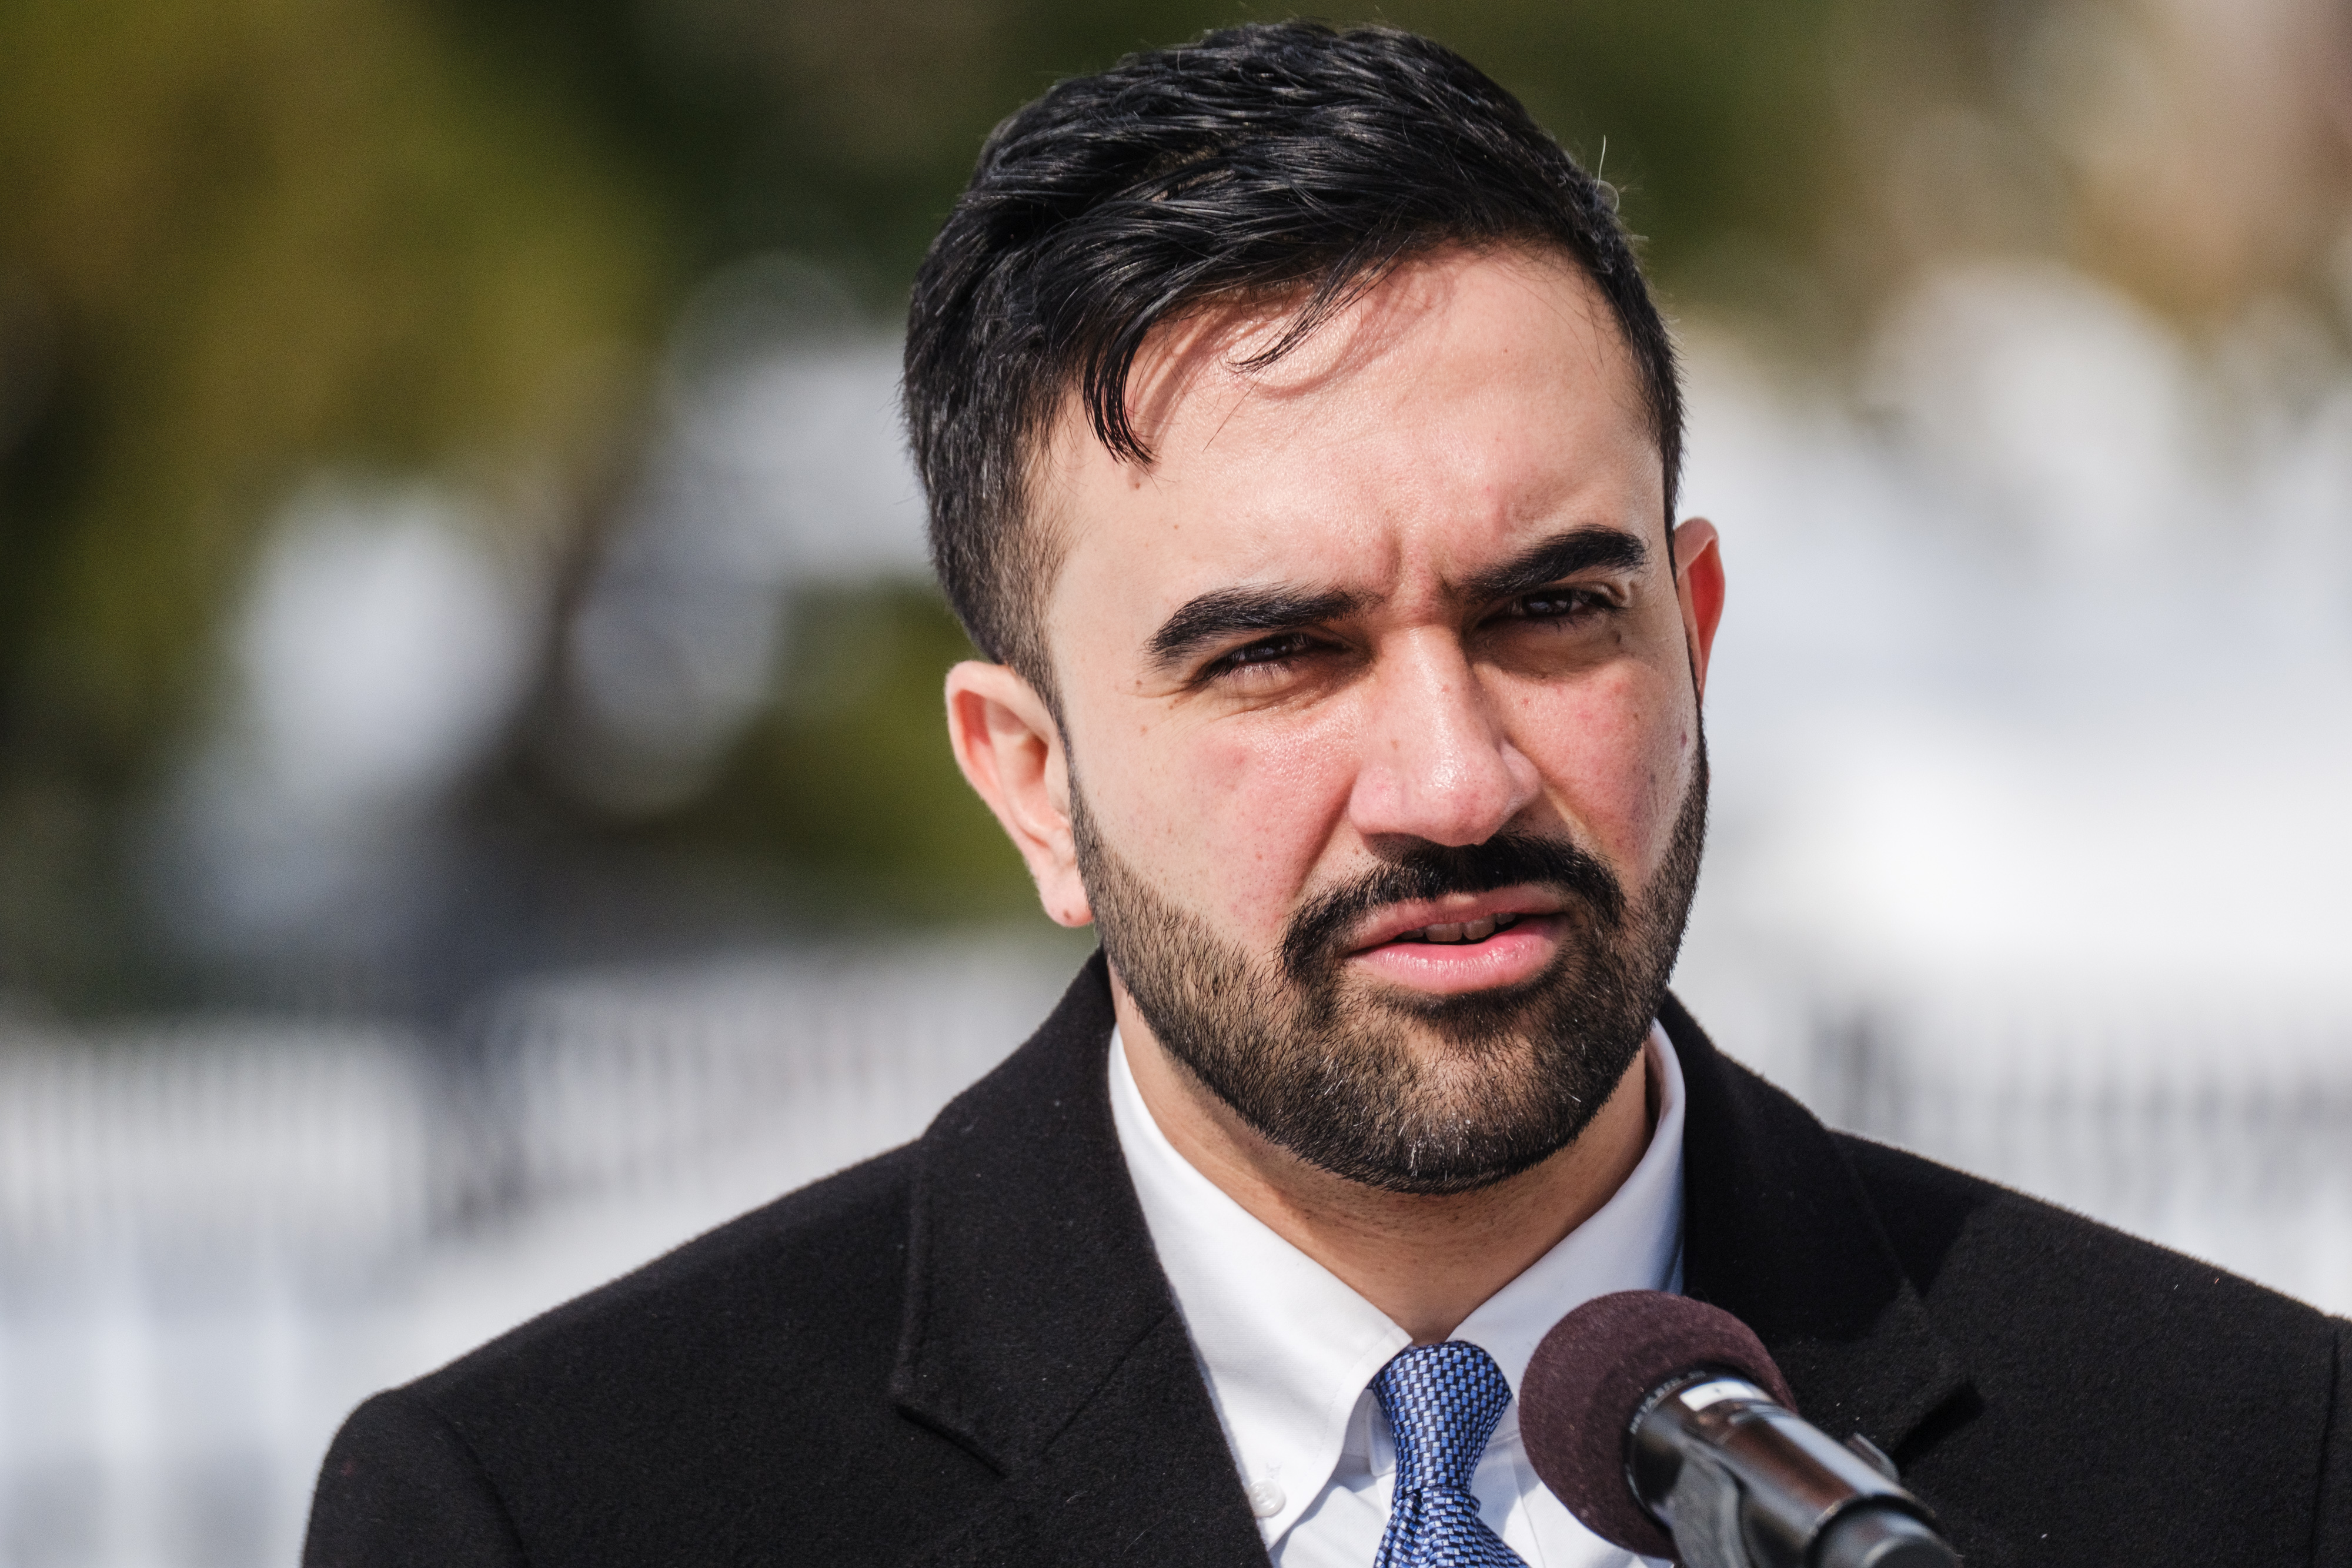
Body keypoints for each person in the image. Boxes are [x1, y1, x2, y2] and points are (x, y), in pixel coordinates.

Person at [303, 22, 2348, 1567]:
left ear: (1694, 634)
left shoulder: (2240, 1465)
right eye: (1278, 654)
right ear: (1031, 779)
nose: (1454, 779)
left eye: (1551, 611)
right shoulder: (559, 1511)